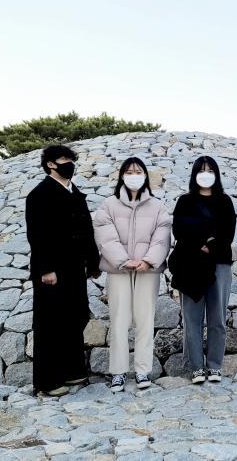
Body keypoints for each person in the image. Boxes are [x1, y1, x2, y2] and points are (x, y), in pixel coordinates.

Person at [25, 145, 100, 397]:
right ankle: (48, 381)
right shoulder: (39, 195)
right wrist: (46, 268)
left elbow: (87, 229)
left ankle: (72, 370)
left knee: (75, 316)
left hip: (75, 266)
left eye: (71, 159)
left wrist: (93, 262)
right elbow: (37, 235)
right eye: (64, 159)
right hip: (53, 270)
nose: (69, 163)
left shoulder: (75, 192)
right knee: (50, 323)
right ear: (50, 164)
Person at [94, 157, 172, 393]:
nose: (134, 176)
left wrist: (148, 261)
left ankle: (142, 370)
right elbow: (105, 236)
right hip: (118, 270)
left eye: (138, 172)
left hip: (147, 271)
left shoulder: (157, 206)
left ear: (145, 176)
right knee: (119, 320)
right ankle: (118, 372)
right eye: (129, 172)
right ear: (122, 176)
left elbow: (162, 236)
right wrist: (124, 261)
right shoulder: (109, 205)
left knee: (145, 319)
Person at [169, 156, 236, 384]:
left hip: (220, 264)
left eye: (210, 170)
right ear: (194, 173)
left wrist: (209, 244)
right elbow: (179, 230)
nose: (205, 174)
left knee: (217, 318)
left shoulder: (225, 201)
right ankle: (196, 367)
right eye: (201, 170)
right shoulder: (185, 201)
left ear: (216, 174)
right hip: (191, 265)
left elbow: (227, 233)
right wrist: (204, 240)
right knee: (192, 318)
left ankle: (215, 366)